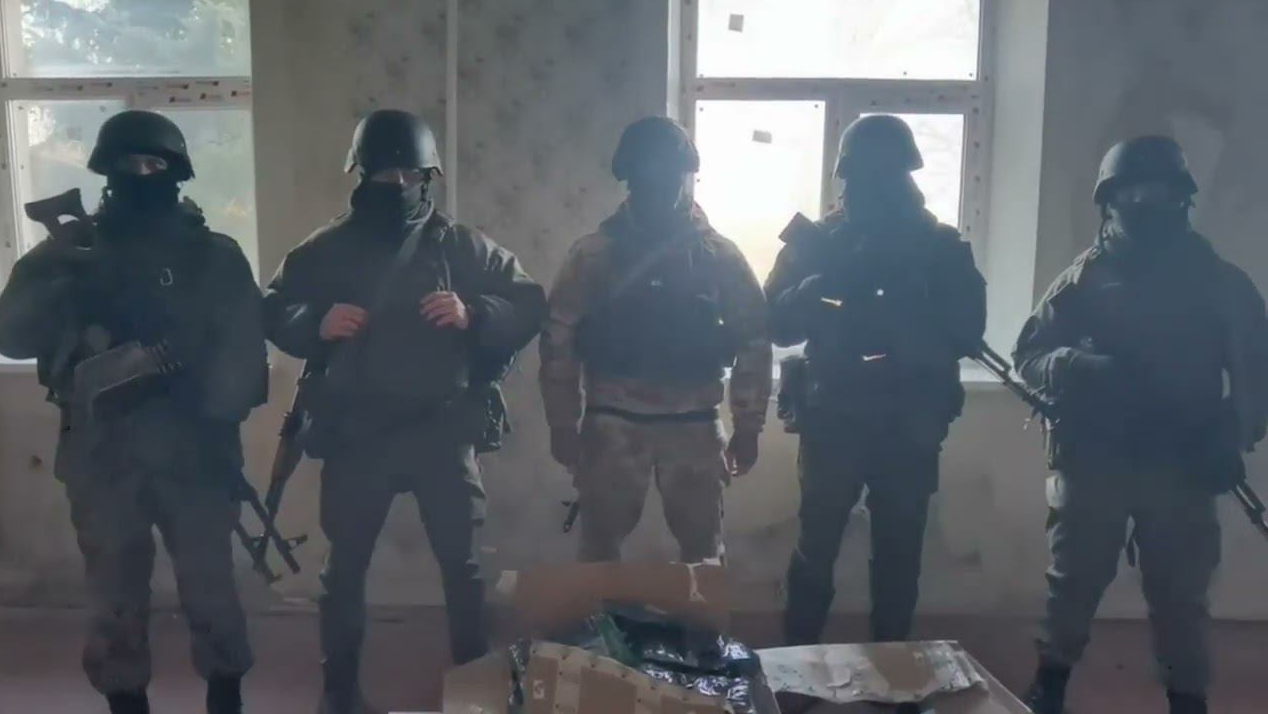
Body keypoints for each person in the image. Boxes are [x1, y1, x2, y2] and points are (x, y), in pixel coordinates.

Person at [262, 110, 545, 714]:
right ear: (360, 173)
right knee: (344, 572)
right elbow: (273, 306)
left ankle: (475, 691)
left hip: (442, 430)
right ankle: (340, 694)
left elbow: (527, 301)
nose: (397, 184)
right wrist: (315, 323)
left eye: (409, 174)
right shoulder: (326, 248)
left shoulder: (460, 245)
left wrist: (474, 313)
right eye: (383, 173)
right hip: (357, 433)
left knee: (464, 569)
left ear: (427, 176)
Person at [0, 111, 268, 714]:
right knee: (114, 596)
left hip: (193, 453)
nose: (141, 174)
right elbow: (7, 334)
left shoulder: (213, 256)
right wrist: (64, 281)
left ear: (177, 173)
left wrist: (209, 407)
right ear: (106, 172)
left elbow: (247, 354)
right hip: (104, 453)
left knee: (211, 590)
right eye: (127, 164)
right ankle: (125, 700)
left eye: (154, 164)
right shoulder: (70, 251)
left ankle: (225, 695)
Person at [1014, 136, 1268, 714]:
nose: (1146, 203)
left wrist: (1231, 435)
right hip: (1094, 457)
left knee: (1182, 595)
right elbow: (1028, 356)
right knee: (1073, 581)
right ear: (1109, 201)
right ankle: (1051, 682)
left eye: (1160, 192)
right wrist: (1076, 367)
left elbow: (1257, 374)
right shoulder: (1080, 281)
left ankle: (1187, 697)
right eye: (1133, 192)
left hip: (1181, 463)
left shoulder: (1220, 283)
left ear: (1182, 199)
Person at [767, 115, 986, 648]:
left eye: (883, 177)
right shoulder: (820, 244)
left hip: (908, 420)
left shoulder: (938, 247)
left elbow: (967, 332)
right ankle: (798, 661)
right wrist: (816, 291)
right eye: (862, 177)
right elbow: (775, 324)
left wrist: (909, 309)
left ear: (905, 176)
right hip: (834, 417)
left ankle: (893, 664)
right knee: (816, 546)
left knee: (899, 552)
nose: (870, 188)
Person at [540, 116, 772, 564]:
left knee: (704, 555)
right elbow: (558, 340)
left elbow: (754, 339)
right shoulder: (593, 254)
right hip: (613, 422)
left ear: (687, 176)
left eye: (668, 178)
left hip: (694, 423)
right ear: (629, 180)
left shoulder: (717, 255)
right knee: (599, 554)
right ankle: (602, 615)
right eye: (647, 179)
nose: (659, 189)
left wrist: (749, 426)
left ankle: (700, 618)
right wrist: (561, 423)